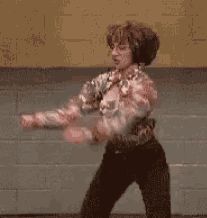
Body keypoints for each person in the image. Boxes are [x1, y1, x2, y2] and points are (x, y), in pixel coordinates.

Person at [20, 20, 171, 217]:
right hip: (116, 157)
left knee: (159, 213)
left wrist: (87, 134)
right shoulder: (104, 81)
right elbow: (71, 112)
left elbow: (121, 123)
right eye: (113, 47)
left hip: (148, 158)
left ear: (137, 52)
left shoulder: (145, 87)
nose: (114, 53)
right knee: (92, 213)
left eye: (122, 48)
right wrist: (37, 120)